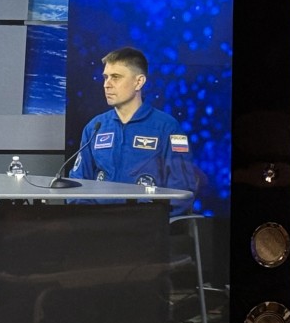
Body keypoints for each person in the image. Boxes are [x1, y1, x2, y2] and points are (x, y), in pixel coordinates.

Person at [68, 46, 200, 215]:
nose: (107, 85)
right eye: (105, 77)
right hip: (99, 223)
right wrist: (88, 218)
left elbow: (182, 191)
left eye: (116, 77)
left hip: (146, 224)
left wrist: (152, 220)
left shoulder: (169, 128)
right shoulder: (95, 127)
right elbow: (78, 184)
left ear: (139, 82)